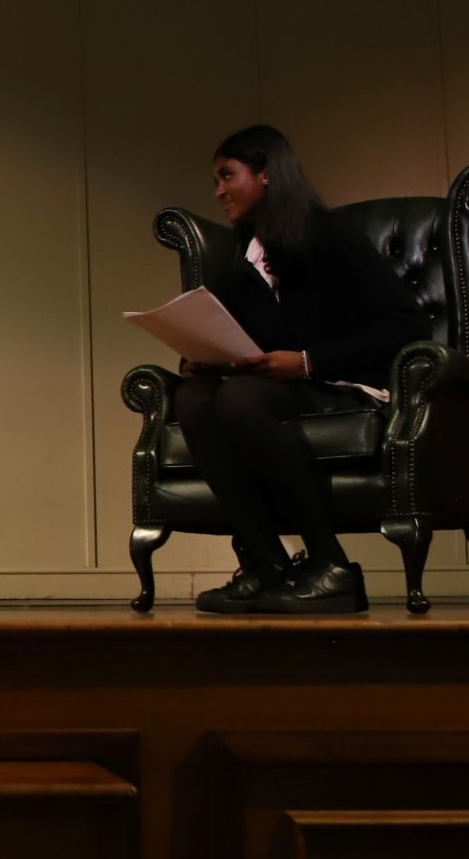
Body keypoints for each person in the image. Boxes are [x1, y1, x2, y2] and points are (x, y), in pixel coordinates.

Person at [175, 125, 426, 615]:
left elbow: (407, 324)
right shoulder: (240, 258)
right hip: (284, 385)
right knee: (195, 399)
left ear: (266, 175)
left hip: (347, 381)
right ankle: (268, 563)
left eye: (228, 175)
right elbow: (244, 338)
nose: (219, 190)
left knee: (241, 400)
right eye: (216, 180)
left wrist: (310, 360)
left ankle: (332, 566)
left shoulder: (331, 236)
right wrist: (205, 356)